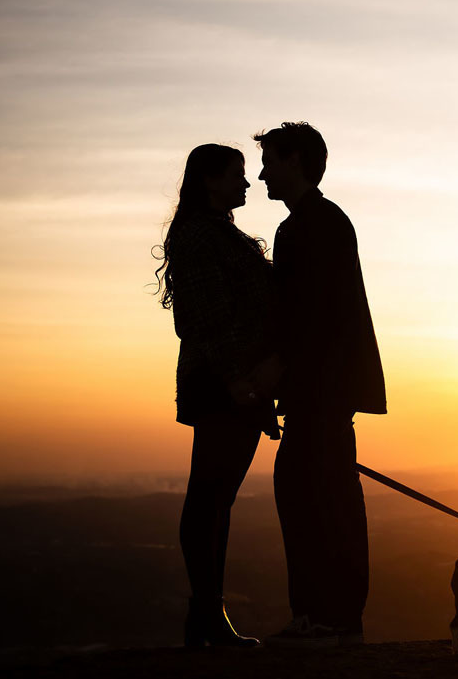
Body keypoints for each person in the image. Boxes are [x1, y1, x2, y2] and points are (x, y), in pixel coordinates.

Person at [251, 122, 386, 648]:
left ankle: (330, 618)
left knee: (322, 501)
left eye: (270, 161)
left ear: (295, 162)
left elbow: (316, 314)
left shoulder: (315, 224)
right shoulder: (315, 222)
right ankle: (320, 615)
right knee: (311, 498)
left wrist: (277, 365)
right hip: (320, 391)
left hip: (321, 392)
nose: (262, 173)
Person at [153, 143, 279, 648]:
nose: (246, 185)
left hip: (232, 383)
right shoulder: (204, 235)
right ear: (210, 181)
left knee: (215, 498)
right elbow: (204, 321)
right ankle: (207, 613)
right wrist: (240, 384)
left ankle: (208, 612)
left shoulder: (215, 233)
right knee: (210, 497)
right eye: (237, 175)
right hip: (223, 384)